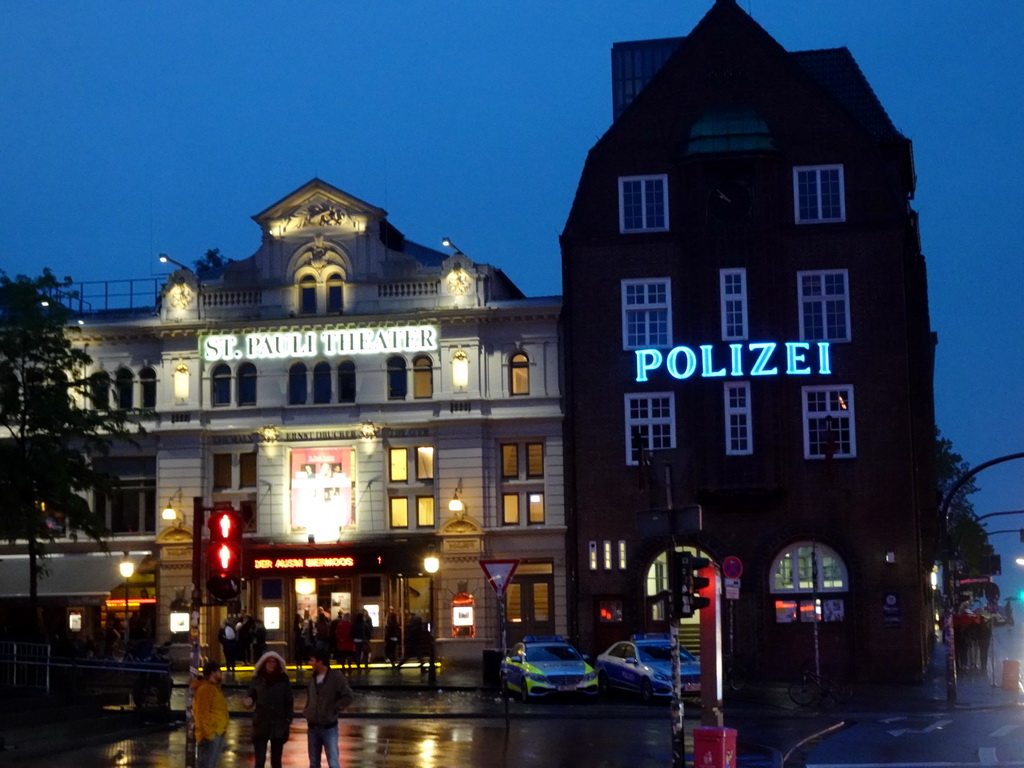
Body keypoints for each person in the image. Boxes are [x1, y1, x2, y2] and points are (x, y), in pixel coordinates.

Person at [304, 648, 354, 768]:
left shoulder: (336, 677)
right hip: (313, 726)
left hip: (329, 727)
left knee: (332, 761)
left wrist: (335, 708)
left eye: (312, 660)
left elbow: (348, 696)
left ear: (320, 662)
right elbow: (310, 696)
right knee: (314, 762)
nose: (310, 663)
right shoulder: (312, 678)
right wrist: (307, 711)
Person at [243, 651, 293, 768]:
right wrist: (248, 701)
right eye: (268, 662)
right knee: (259, 760)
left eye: (274, 662)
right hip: (261, 725)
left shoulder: (283, 679)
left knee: (276, 761)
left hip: (278, 725)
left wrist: (287, 720)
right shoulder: (258, 679)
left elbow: (289, 700)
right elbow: (251, 695)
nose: (271, 664)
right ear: (264, 663)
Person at [193, 662, 228, 768]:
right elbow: (202, 713)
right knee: (207, 764)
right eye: (219, 671)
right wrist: (210, 735)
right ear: (213, 673)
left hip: (216, 733)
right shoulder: (205, 689)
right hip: (211, 735)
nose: (221, 674)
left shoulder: (213, 688)